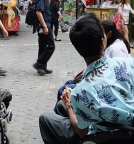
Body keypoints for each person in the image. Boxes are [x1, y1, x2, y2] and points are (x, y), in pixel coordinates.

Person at [39, 13, 134, 144]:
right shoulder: (126, 63)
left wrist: (69, 105)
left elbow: (81, 131)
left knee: (45, 118)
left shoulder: (81, 91)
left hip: (100, 136)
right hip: (128, 131)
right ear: (103, 40)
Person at [33, 0, 55, 75]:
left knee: (42, 46)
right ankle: (39, 64)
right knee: (51, 46)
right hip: (45, 25)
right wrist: (45, 26)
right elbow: (38, 12)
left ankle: (42, 67)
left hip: (42, 25)